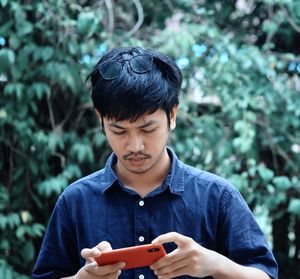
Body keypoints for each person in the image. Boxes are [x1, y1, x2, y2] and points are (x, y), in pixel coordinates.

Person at [32, 46, 278, 279]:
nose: (134, 146)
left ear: (172, 116)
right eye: (119, 131)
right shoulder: (75, 201)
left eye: (147, 128)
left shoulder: (217, 197)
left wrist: (214, 264)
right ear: (101, 120)